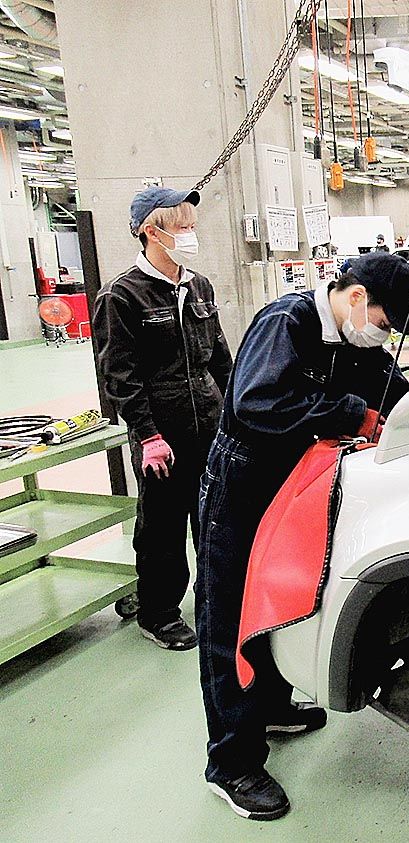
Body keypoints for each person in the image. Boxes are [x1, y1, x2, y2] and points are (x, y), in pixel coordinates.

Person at [195, 252, 409, 821]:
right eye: (384, 323)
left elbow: (387, 388)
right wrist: (348, 414)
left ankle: (270, 707)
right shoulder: (287, 322)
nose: (382, 336)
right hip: (241, 487)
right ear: (357, 298)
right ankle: (231, 763)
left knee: (280, 600)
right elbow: (256, 402)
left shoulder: (351, 338)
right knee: (228, 622)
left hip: (293, 488)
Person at [92, 186, 231, 651]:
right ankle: (159, 613)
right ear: (152, 232)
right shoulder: (121, 296)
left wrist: (236, 410)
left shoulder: (199, 286)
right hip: (161, 431)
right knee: (163, 528)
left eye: (192, 225)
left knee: (212, 520)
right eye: (182, 227)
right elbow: (119, 375)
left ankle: (212, 602)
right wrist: (148, 435)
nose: (191, 234)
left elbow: (219, 358)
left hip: (208, 421)